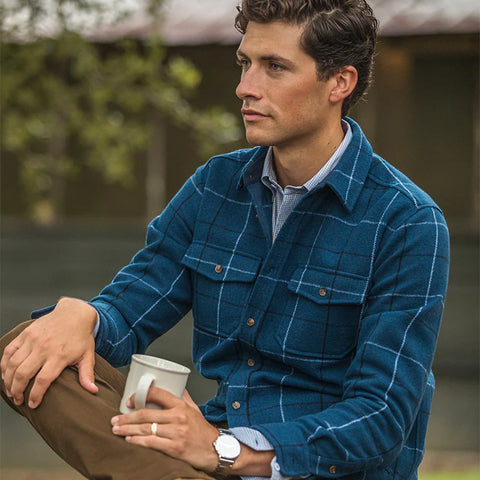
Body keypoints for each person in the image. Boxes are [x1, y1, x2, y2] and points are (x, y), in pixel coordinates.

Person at [0, 0, 450, 479]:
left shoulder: (407, 221)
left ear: (339, 82)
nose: (245, 87)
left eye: (274, 67)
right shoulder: (214, 186)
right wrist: (84, 317)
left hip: (302, 467)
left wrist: (226, 449)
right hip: (205, 454)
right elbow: (127, 314)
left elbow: (381, 416)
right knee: (32, 345)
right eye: (245, 63)